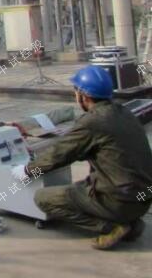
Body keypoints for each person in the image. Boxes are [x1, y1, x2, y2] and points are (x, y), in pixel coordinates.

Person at [12, 65, 152, 250]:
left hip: (119, 201)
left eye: (76, 91)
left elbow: (60, 154)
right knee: (83, 185)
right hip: (143, 199)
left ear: (83, 96)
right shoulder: (123, 112)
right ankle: (131, 223)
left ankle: (111, 227)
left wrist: (28, 170)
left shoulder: (93, 121)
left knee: (42, 198)